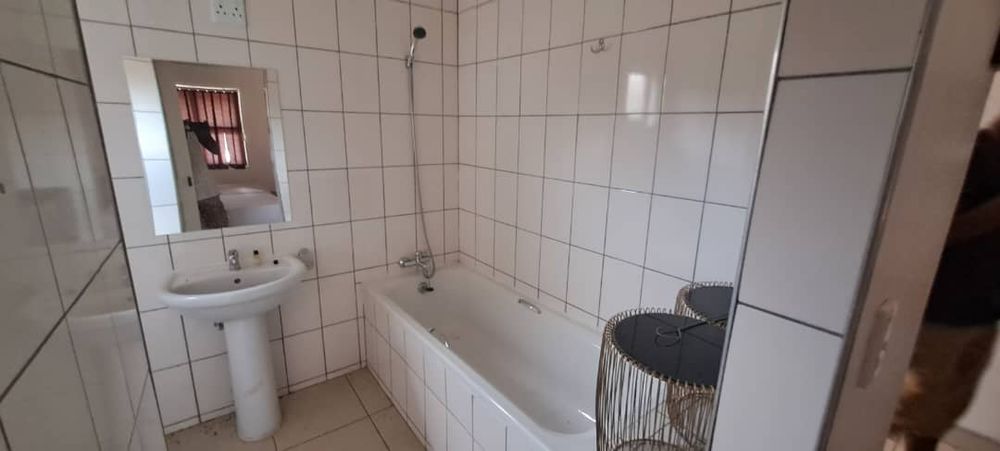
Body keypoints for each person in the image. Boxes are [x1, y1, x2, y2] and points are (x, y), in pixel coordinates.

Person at [891, 115, 1000, 450]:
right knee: (902, 412)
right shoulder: (973, 153)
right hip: (939, 315)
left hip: (984, 315)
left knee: (941, 413)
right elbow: (931, 231)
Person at [184, 120, 229, 228]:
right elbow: (215, 149)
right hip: (202, 189)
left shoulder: (192, 129)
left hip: (200, 189)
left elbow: (215, 149)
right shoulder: (191, 129)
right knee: (218, 228)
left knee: (213, 228)